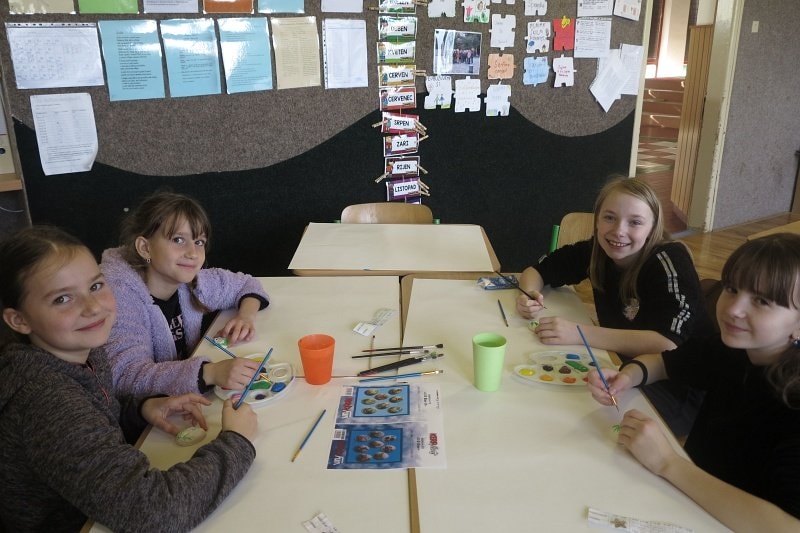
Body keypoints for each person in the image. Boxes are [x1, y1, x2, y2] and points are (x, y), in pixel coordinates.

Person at [0, 226, 258, 532]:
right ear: (19, 320)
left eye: (96, 286)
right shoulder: (45, 401)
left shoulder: (84, 351)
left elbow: (94, 416)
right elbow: (154, 512)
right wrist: (236, 441)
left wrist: (140, 409)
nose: (93, 307)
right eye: (62, 299)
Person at [588, 233, 800, 529]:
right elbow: (665, 362)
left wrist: (668, 463)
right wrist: (628, 376)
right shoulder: (734, 348)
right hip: (686, 498)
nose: (733, 309)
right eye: (732, 289)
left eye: (762, 301)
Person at [516, 177, 714, 435]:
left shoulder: (669, 260)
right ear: (597, 221)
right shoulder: (597, 250)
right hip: (624, 368)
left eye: (635, 222)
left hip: (677, 388)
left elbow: (667, 343)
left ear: (653, 227)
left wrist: (579, 333)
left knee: (583, 422)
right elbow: (538, 270)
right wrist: (530, 294)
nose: (619, 231)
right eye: (609, 218)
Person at [101, 191, 270, 397]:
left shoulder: (187, 280)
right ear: (145, 248)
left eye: (199, 242)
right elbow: (125, 376)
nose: (192, 253)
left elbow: (246, 284)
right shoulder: (119, 298)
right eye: (178, 239)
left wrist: (245, 317)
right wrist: (210, 373)